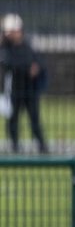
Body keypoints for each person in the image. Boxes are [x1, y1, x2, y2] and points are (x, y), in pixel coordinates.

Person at [1, 13, 49, 154]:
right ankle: (15, 145)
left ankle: (41, 145)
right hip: (15, 89)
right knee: (13, 119)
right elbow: (8, 64)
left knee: (34, 118)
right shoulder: (5, 48)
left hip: (30, 89)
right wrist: (28, 67)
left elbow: (39, 61)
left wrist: (36, 67)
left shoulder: (28, 45)